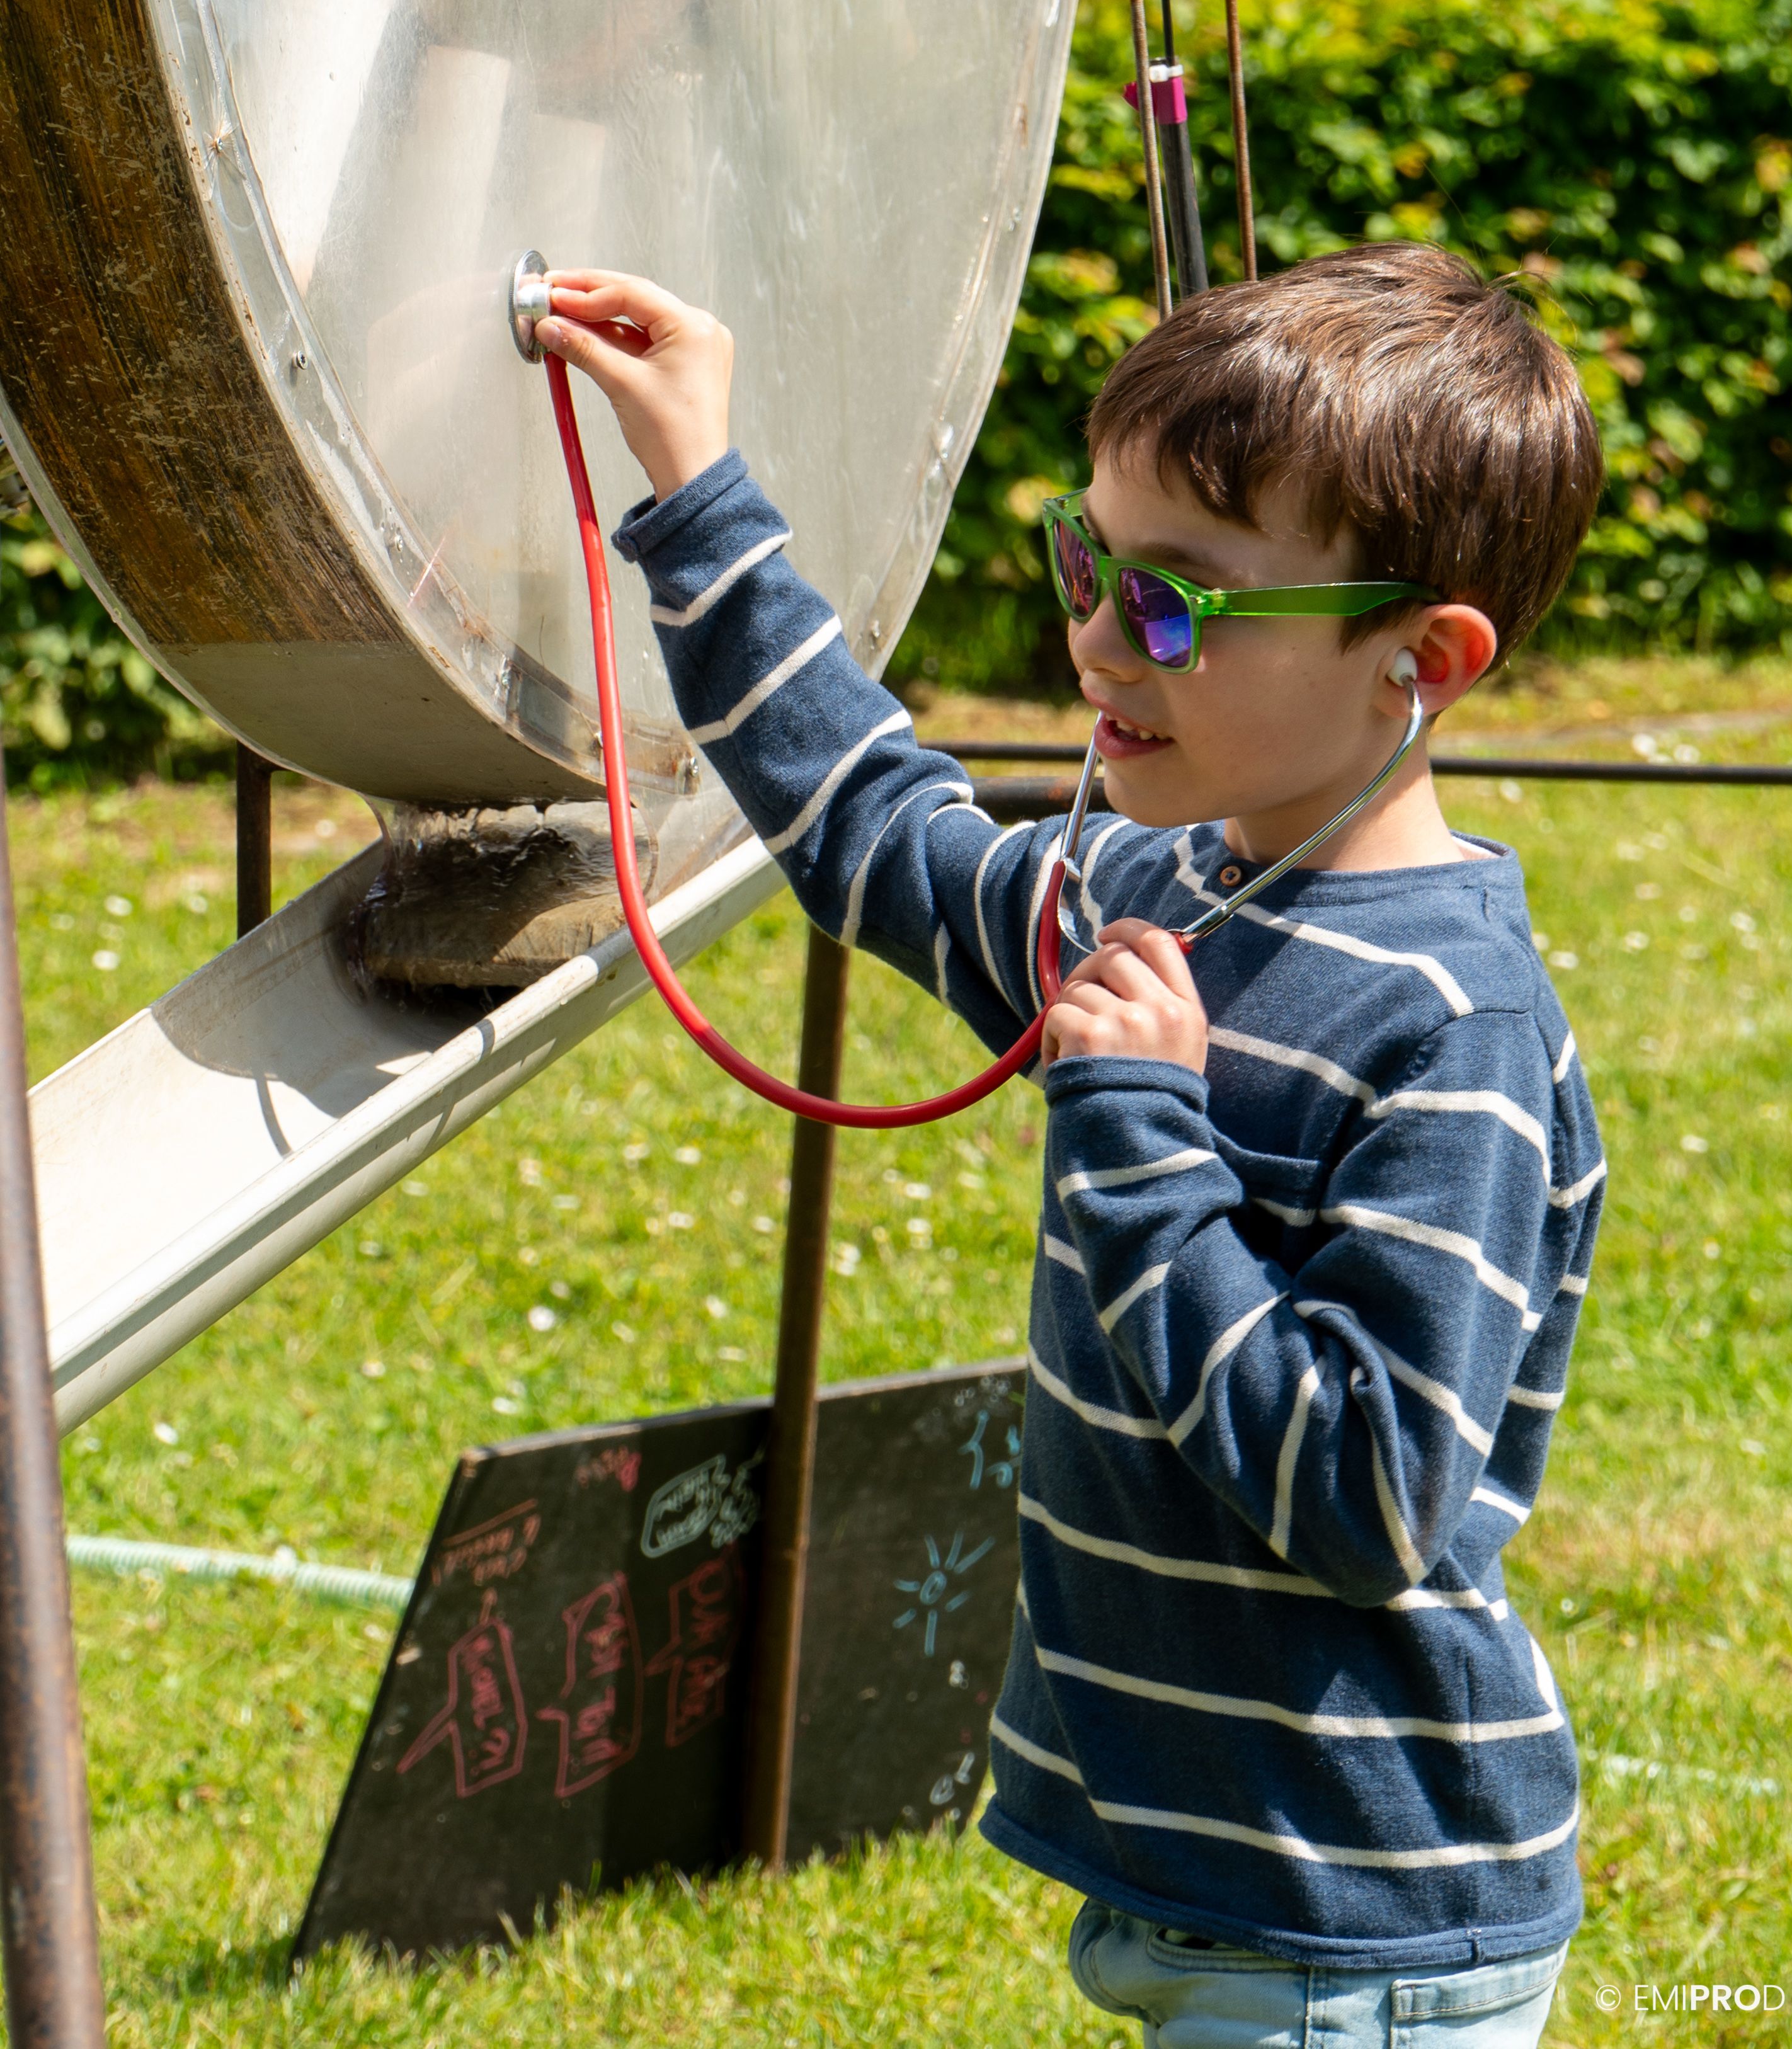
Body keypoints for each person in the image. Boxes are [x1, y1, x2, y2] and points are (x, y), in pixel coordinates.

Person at [537, 243, 1607, 2049]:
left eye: (1180, 605)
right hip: (1213, 1895)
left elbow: (1363, 1498)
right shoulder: (1147, 887)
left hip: (1361, 1928)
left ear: (1419, 663)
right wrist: (699, 488)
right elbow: (874, 824)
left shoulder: (1455, 1036)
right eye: (1086, 562)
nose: (1099, 638)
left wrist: (1142, 1138)